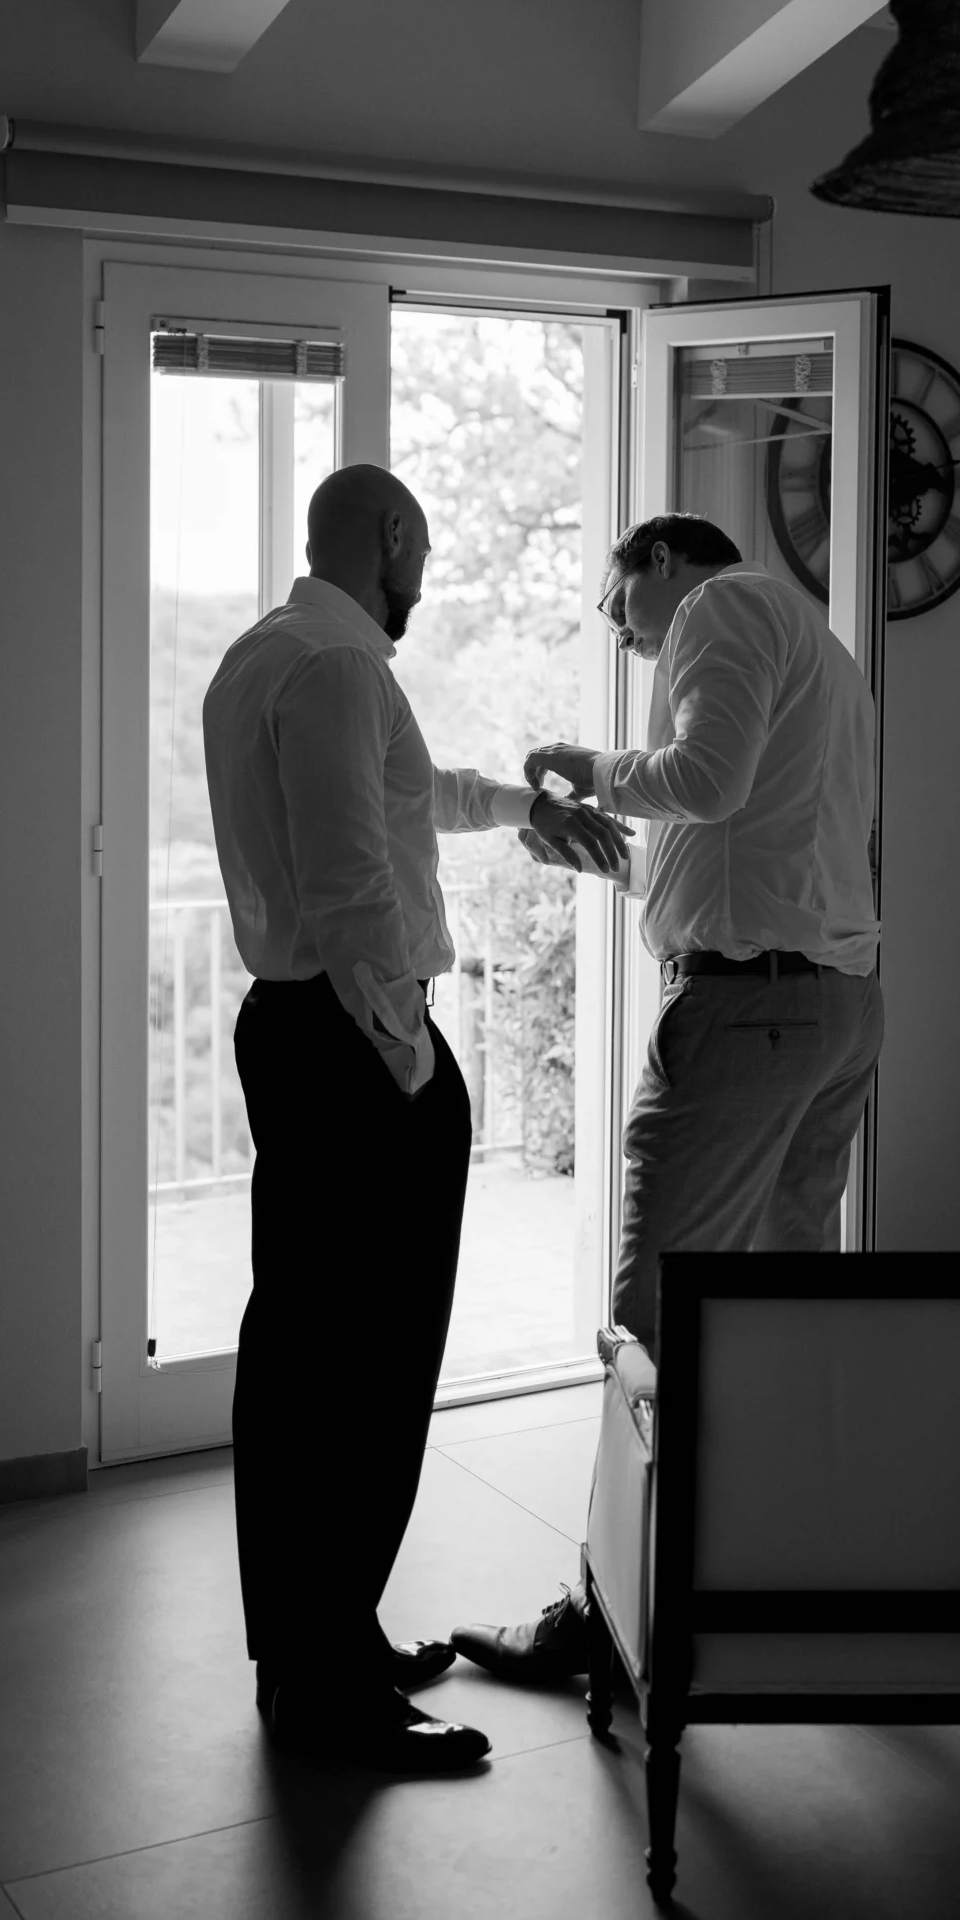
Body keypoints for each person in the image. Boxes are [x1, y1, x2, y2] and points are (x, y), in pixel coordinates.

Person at [202, 462, 628, 1771]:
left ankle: (318, 1644)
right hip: (351, 1045)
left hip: (301, 1031)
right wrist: (403, 1058)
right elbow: (348, 885)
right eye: (423, 553)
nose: (423, 584)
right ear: (389, 537)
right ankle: (335, 1690)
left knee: (302, 1363)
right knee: (364, 1372)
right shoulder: (336, 665)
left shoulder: (270, 655)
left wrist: (520, 809)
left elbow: (407, 797)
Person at [451, 511, 884, 1685]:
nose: (625, 637)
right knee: (775, 1308)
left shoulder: (720, 605)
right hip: (830, 1007)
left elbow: (706, 776)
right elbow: (747, 837)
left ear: (655, 561)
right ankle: (780, 1570)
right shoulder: (823, 649)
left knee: (649, 1316)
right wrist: (615, 857)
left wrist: (585, 765)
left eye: (614, 607)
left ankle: (607, 1620)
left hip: (751, 1018)